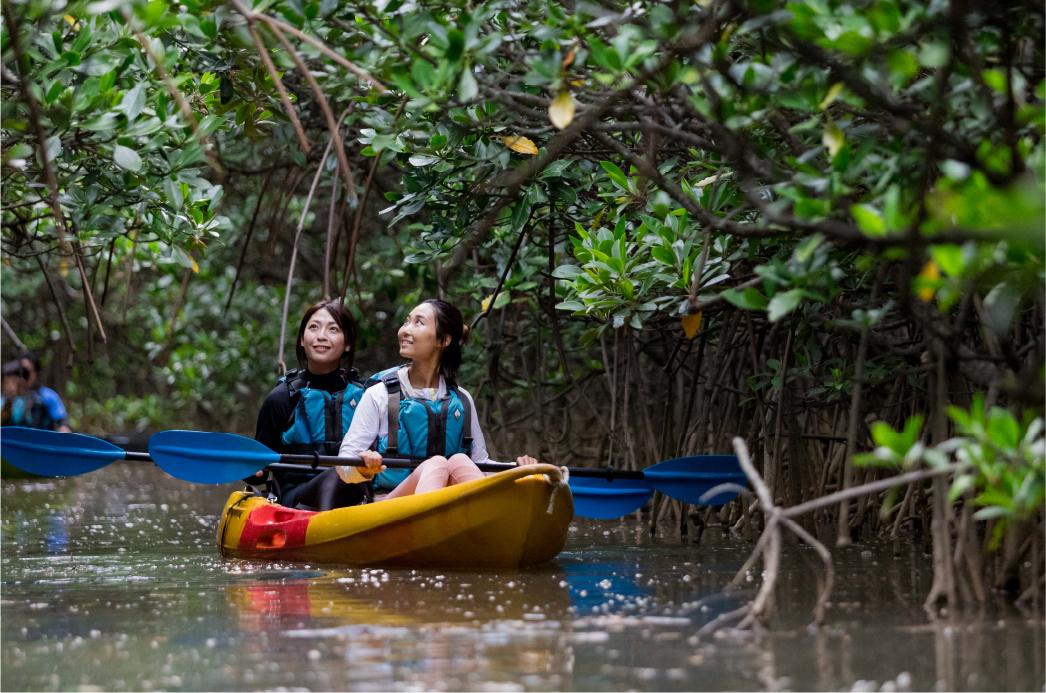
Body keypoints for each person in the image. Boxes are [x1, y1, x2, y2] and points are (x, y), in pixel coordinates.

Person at [337, 298, 538, 500]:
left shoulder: (462, 400)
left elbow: (481, 463)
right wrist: (363, 465)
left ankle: (485, 516)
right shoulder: (379, 395)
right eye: (407, 321)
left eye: (418, 322)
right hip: (390, 505)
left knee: (460, 459)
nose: (405, 330)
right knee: (437, 463)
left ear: (443, 340)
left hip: (446, 506)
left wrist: (516, 469)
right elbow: (344, 463)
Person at [252, 300, 369, 510]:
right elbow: (256, 474)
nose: (321, 335)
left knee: (345, 476)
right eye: (314, 327)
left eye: (333, 329)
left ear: (348, 343)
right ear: (301, 341)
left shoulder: (365, 397)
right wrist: (253, 472)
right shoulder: (281, 399)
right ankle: (327, 532)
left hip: (354, 496)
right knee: (337, 474)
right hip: (296, 500)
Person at [19, 352, 71, 432]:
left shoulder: (47, 396)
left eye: (26, 372)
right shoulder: (7, 397)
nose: (23, 376)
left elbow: (62, 423)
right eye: (20, 372)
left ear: (36, 373)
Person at [1, 360, 54, 429]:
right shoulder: (5, 401)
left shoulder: (36, 402)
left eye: (10, 382)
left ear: (22, 382)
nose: (6, 387)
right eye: (5, 382)